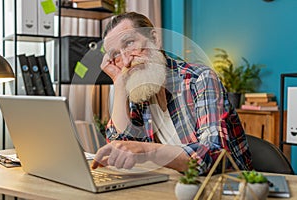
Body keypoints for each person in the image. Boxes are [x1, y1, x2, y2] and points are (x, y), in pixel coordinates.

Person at [91, 12, 252, 175]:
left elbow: (216, 156)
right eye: (116, 54)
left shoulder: (200, 79)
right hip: (172, 185)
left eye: (129, 43)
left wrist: (148, 151)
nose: (126, 61)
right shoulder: (139, 90)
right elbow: (121, 150)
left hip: (226, 187)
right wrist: (119, 83)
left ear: (154, 39)